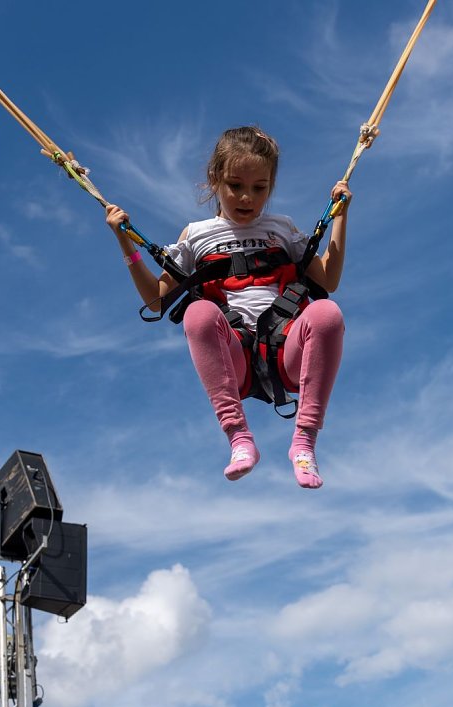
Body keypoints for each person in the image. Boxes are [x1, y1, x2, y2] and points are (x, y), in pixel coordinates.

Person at [106, 126, 350, 489]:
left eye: (259, 188)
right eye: (236, 185)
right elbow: (154, 298)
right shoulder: (197, 235)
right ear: (215, 179)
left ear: (270, 185)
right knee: (197, 313)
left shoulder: (282, 229)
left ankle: (304, 442)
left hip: (286, 352)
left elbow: (327, 280)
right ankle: (238, 437)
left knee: (328, 313)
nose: (247, 198)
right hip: (234, 355)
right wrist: (125, 242)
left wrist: (340, 215)